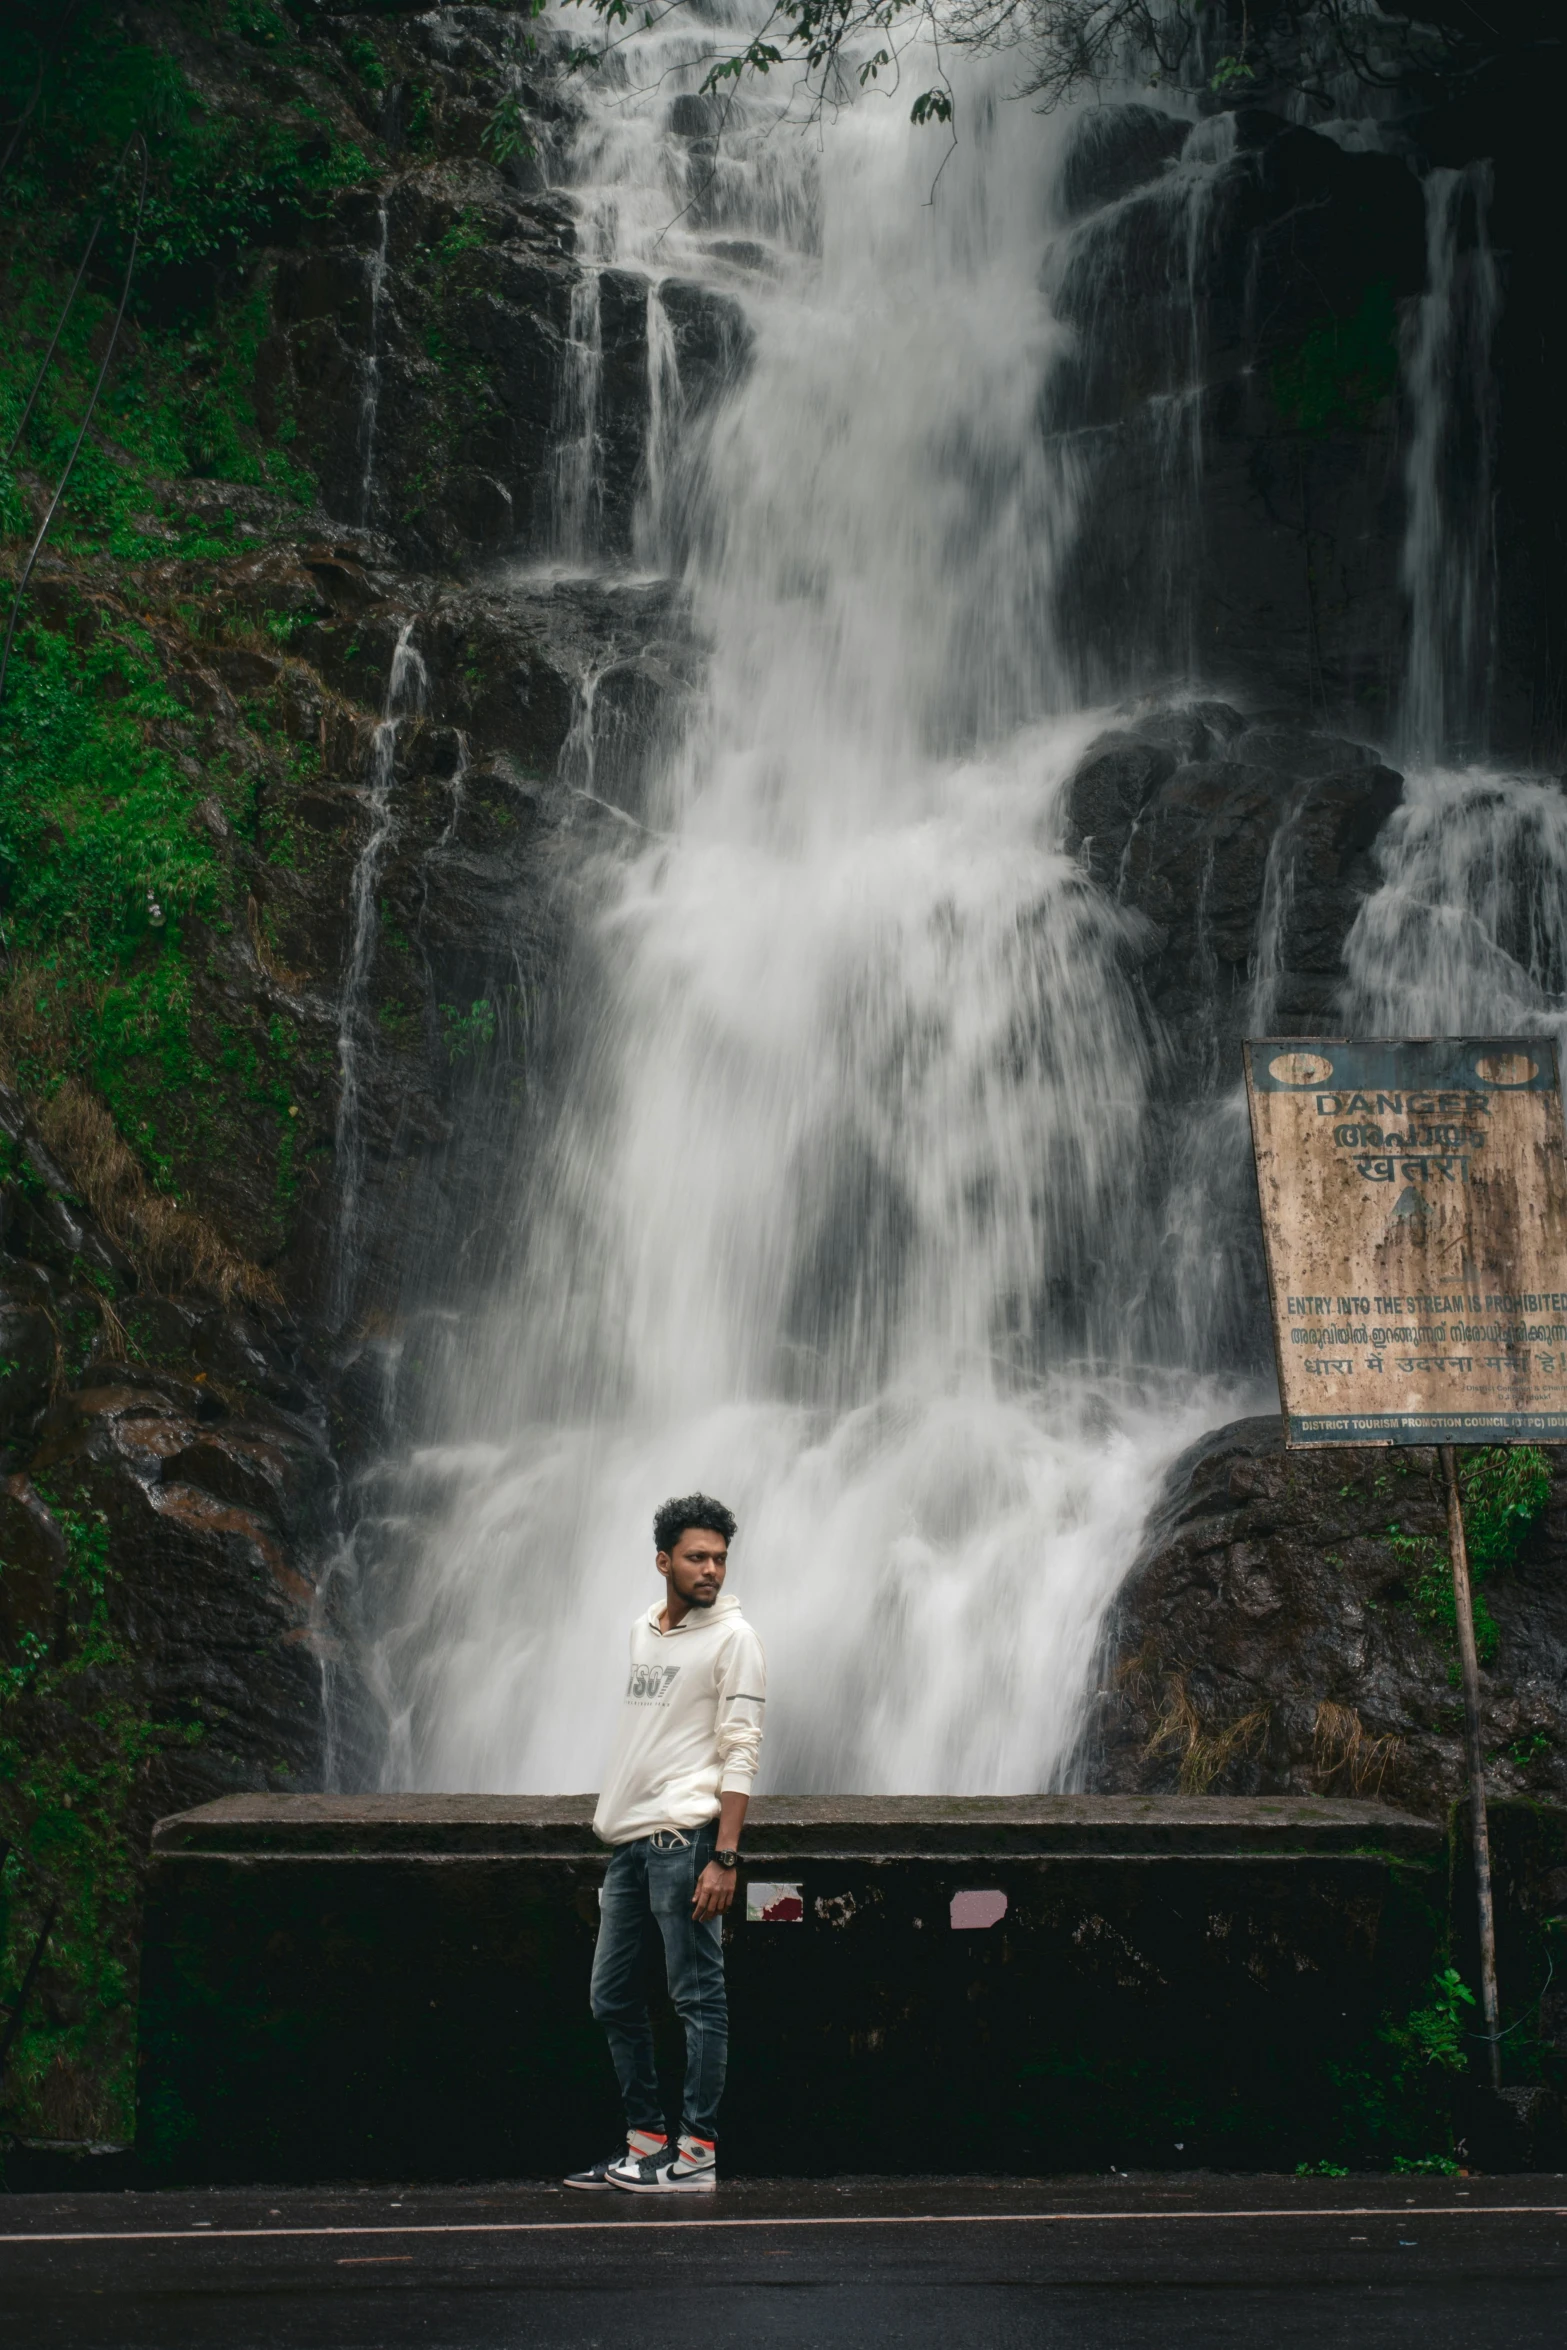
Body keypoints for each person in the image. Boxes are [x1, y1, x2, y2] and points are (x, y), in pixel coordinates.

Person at [564, 1492, 765, 2195]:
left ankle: (697, 2152)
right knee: (611, 1996)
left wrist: (725, 1855)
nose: (710, 1569)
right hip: (627, 1842)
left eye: (718, 1558)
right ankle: (645, 2141)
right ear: (663, 1561)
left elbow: (740, 1750)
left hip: (685, 1843)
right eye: (696, 1557)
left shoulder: (735, 1640)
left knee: (696, 2000)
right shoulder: (642, 1630)